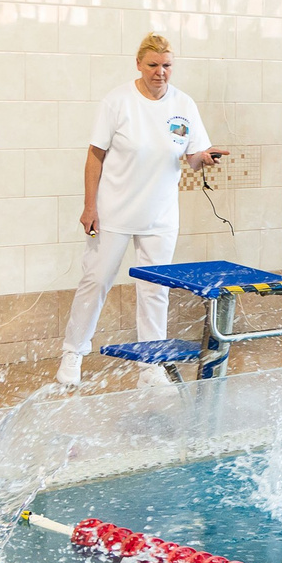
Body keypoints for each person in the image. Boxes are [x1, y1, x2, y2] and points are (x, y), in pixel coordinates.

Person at [55, 33, 228, 387]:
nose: (160, 72)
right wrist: (89, 206)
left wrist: (204, 158)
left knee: (154, 290)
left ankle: (151, 366)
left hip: (160, 216)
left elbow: (192, 157)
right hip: (113, 212)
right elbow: (95, 155)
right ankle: (73, 352)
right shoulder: (118, 101)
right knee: (96, 281)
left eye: (166, 65)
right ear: (138, 64)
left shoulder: (184, 104)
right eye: (152, 65)